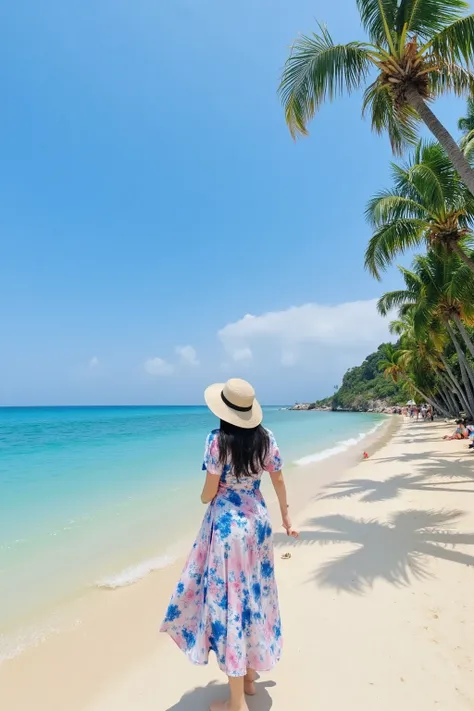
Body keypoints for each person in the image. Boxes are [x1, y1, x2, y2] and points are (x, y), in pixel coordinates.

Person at [160, 378, 298, 711]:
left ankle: (236, 703)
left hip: (226, 530)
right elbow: (278, 478)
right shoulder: (267, 439)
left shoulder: (216, 441)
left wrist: (205, 495)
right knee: (254, 594)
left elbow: (209, 490)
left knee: (233, 605)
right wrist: (287, 518)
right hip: (258, 523)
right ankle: (249, 679)